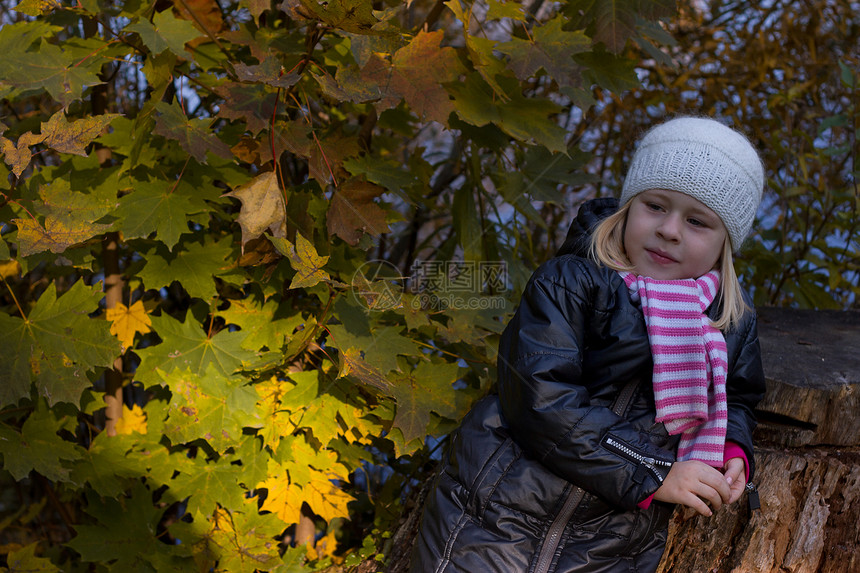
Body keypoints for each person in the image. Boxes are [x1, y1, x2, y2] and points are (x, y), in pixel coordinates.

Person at [410, 116, 767, 573]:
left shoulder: (727, 320)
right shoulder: (572, 283)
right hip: (496, 521)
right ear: (628, 206)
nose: (670, 230)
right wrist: (655, 471)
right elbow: (542, 398)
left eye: (697, 221)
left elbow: (737, 397)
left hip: (610, 544)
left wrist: (732, 449)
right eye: (655, 206)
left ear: (725, 245)